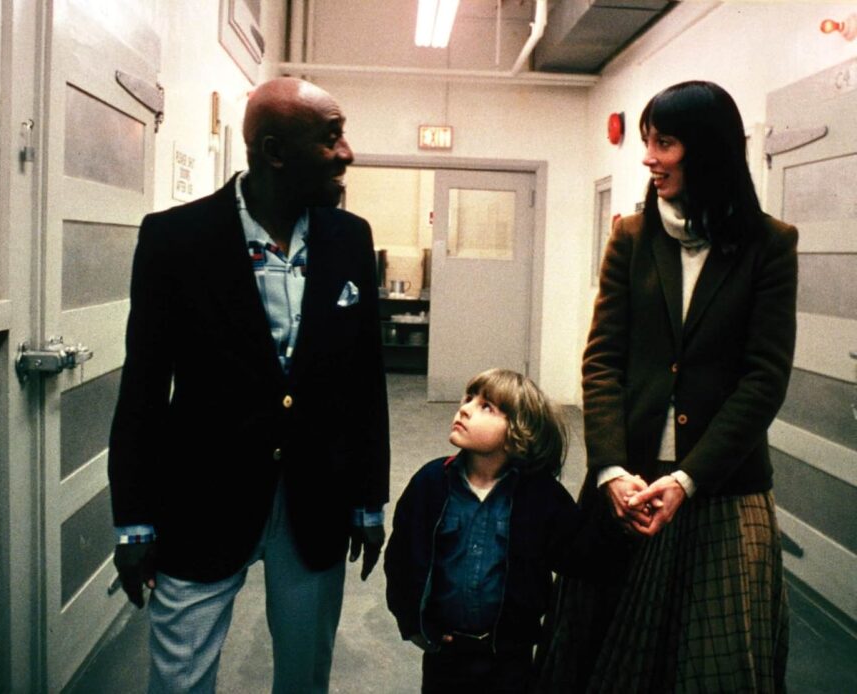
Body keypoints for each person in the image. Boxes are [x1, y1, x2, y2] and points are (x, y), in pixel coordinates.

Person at [107, 77, 390, 694]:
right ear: (274, 151)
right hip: (201, 499)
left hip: (315, 502)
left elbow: (365, 382)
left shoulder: (350, 239)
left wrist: (369, 500)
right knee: (180, 680)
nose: (347, 151)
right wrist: (133, 521)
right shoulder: (174, 239)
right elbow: (144, 391)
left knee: (304, 676)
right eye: (330, 137)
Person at [536, 81, 798, 692]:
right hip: (625, 484)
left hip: (721, 491)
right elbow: (603, 360)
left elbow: (764, 380)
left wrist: (687, 478)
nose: (649, 156)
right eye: (647, 142)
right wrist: (608, 471)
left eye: (665, 142)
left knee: (712, 667)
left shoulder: (769, 245)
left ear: (707, 150)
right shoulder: (632, 237)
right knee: (597, 657)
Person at [385, 369, 624, 694]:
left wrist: (616, 515)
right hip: (446, 653)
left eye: (487, 407)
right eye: (468, 398)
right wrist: (412, 623)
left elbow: (578, 553)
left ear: (519, 432)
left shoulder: (541, 497)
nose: (465, 408)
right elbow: (402, 557)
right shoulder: (431, 483)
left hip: (510, 657)